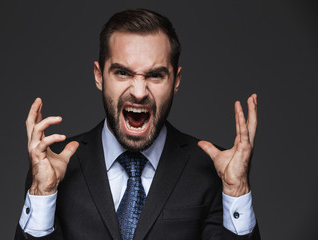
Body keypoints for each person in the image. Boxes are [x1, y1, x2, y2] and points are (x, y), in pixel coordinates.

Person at [15, 9, 260, 240]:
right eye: (122, 73)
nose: (140, 92)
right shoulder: (54, 164)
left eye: (155, 75)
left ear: (176, 80)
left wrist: (236, 189)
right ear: (99, 76)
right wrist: (42, 193)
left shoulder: (212, 170)